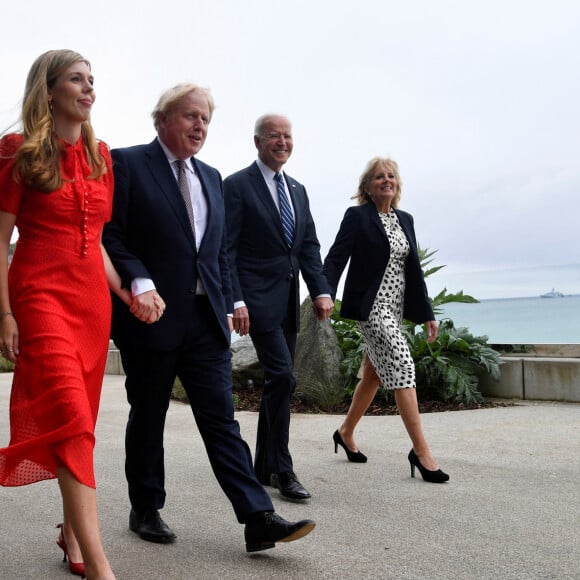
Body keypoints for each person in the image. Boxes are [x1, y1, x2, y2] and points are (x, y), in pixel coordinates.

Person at [101, 85, 316, 552]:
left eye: (205, 120)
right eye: (190, 117)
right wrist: (139, 281)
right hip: (150, 317)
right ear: (162, 120)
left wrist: (231, 301)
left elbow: (218, 252)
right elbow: (110, 235)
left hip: (204, 322)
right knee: (149, 415)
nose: (199, 127)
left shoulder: (211, 177)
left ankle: (258, 516)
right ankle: (146, 506)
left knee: (221, 420)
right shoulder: (128, 163)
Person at [0, 49, 125, 579]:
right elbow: (0, 237)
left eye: (92, 79)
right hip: (38, 295)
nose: (89, 88)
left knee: (84, 421)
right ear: (48, 91)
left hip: (91, 304)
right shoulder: (16, 151)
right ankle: (99, 566)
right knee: (71, 416)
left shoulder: (102, 158)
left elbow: (94, 241)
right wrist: (4, 313)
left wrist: (128, 292)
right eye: (76, 79)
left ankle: (71, 531)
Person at [223, 114, 334, 501]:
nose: (282, 142)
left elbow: (308, 247)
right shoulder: (236, 186)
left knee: (277, 381)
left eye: (287, 136)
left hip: (287, 302)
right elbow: (227, 249)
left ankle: (263, 466)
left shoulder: (298, 190)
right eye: (274, 136)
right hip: (255, 301)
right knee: (284, 377)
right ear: (257, 142)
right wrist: (235, 299)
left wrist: (320, 290)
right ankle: (283, 469)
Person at [323, 157, 449, 483]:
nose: (386, 180)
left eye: (391, 176)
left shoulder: (405, 219)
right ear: (367, 186)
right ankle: (421, 452)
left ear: (397, 184)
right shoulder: (357, 217)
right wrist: (323, 293)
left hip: (396, 309)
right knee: (403, 365)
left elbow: (414, 271)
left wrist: (427, 315)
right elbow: (336, 258)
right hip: (372, 308)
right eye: (379, 177)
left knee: (374, 375)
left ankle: (346, 431)